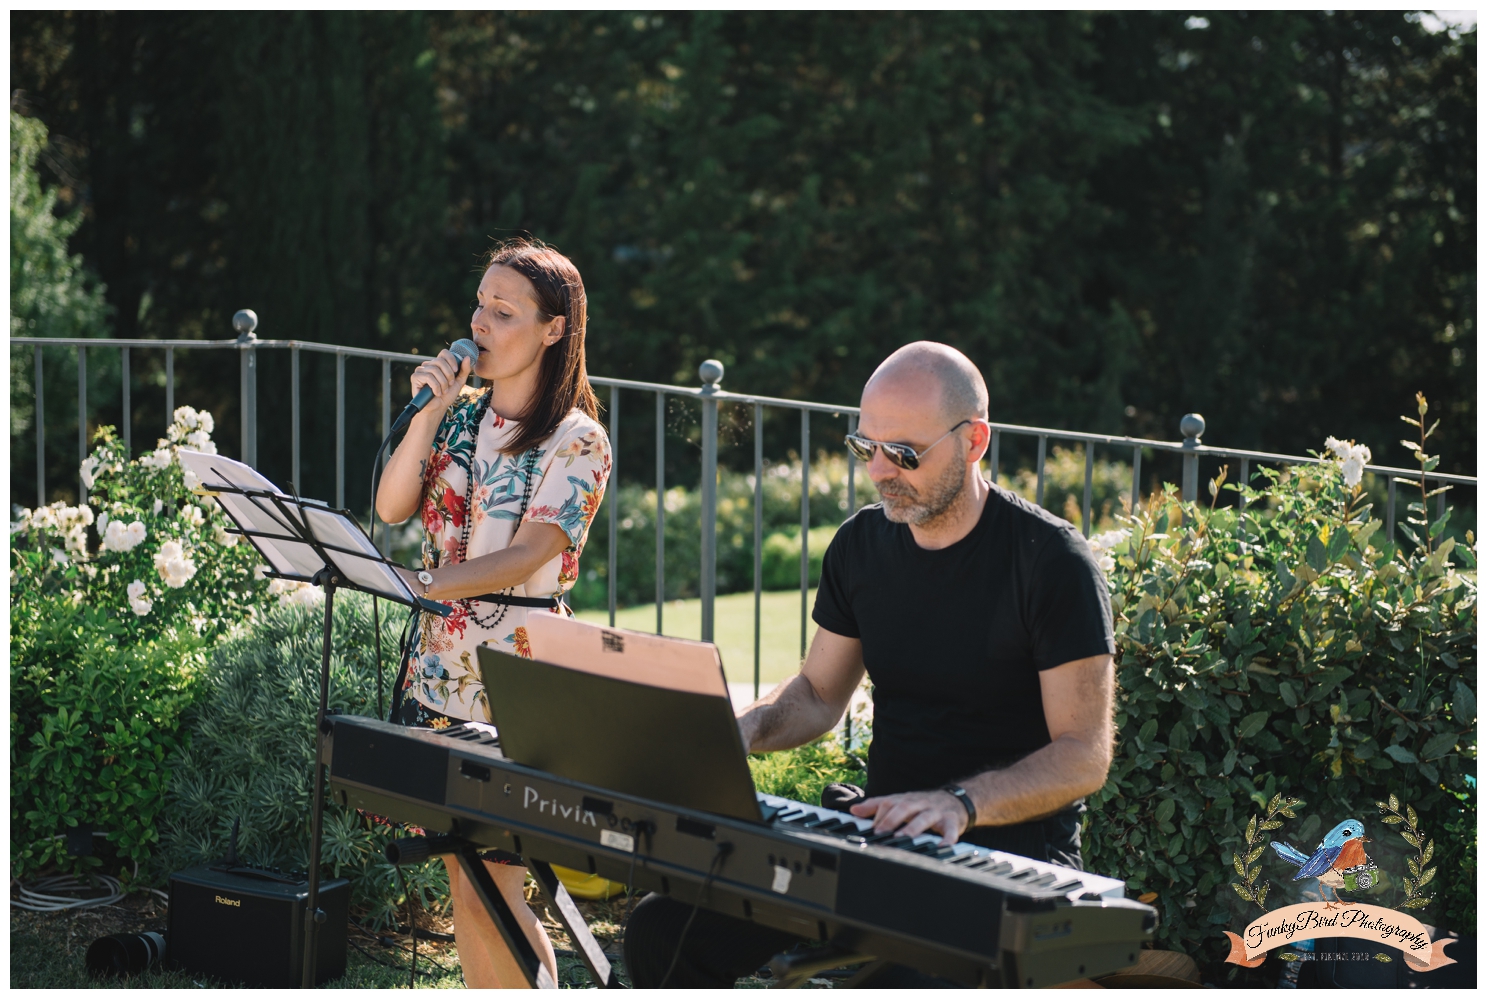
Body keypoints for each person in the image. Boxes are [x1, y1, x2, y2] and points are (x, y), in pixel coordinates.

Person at [622, 341, 1116, 988]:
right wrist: (744, 728)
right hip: (883, 844)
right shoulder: (860, 543)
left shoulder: (1050, 562)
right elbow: (818, 694)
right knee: (664, 930)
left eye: (904, 453)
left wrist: (959, 804)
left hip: (1008, 861)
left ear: (973, 441)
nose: (880, 470)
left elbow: (1084, 753)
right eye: (866, 448)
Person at [375, 239, 611, 988]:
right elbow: (390, 504)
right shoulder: (457, 418)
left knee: (499, 886)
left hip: (517, 680)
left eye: (503, 311)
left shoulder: (577, 438)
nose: (480, 321)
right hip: (437, 673)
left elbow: (531, 551)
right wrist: (428, 412)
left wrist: (424, 583)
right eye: (479, 303)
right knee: (462, 883)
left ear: (553, 329)